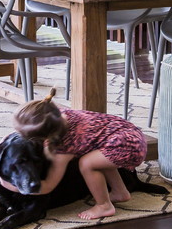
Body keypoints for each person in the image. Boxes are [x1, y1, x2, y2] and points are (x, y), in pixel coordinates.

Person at [10, 88, 147, 220]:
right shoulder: (56, 117)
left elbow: (49, 186)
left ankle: (104, 206)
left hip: (129, 146)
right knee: (99, 157)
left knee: (87, 163)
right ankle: (120, 192)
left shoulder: (65, 147)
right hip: (131, 135)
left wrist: (10, 185)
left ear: (45, 138)